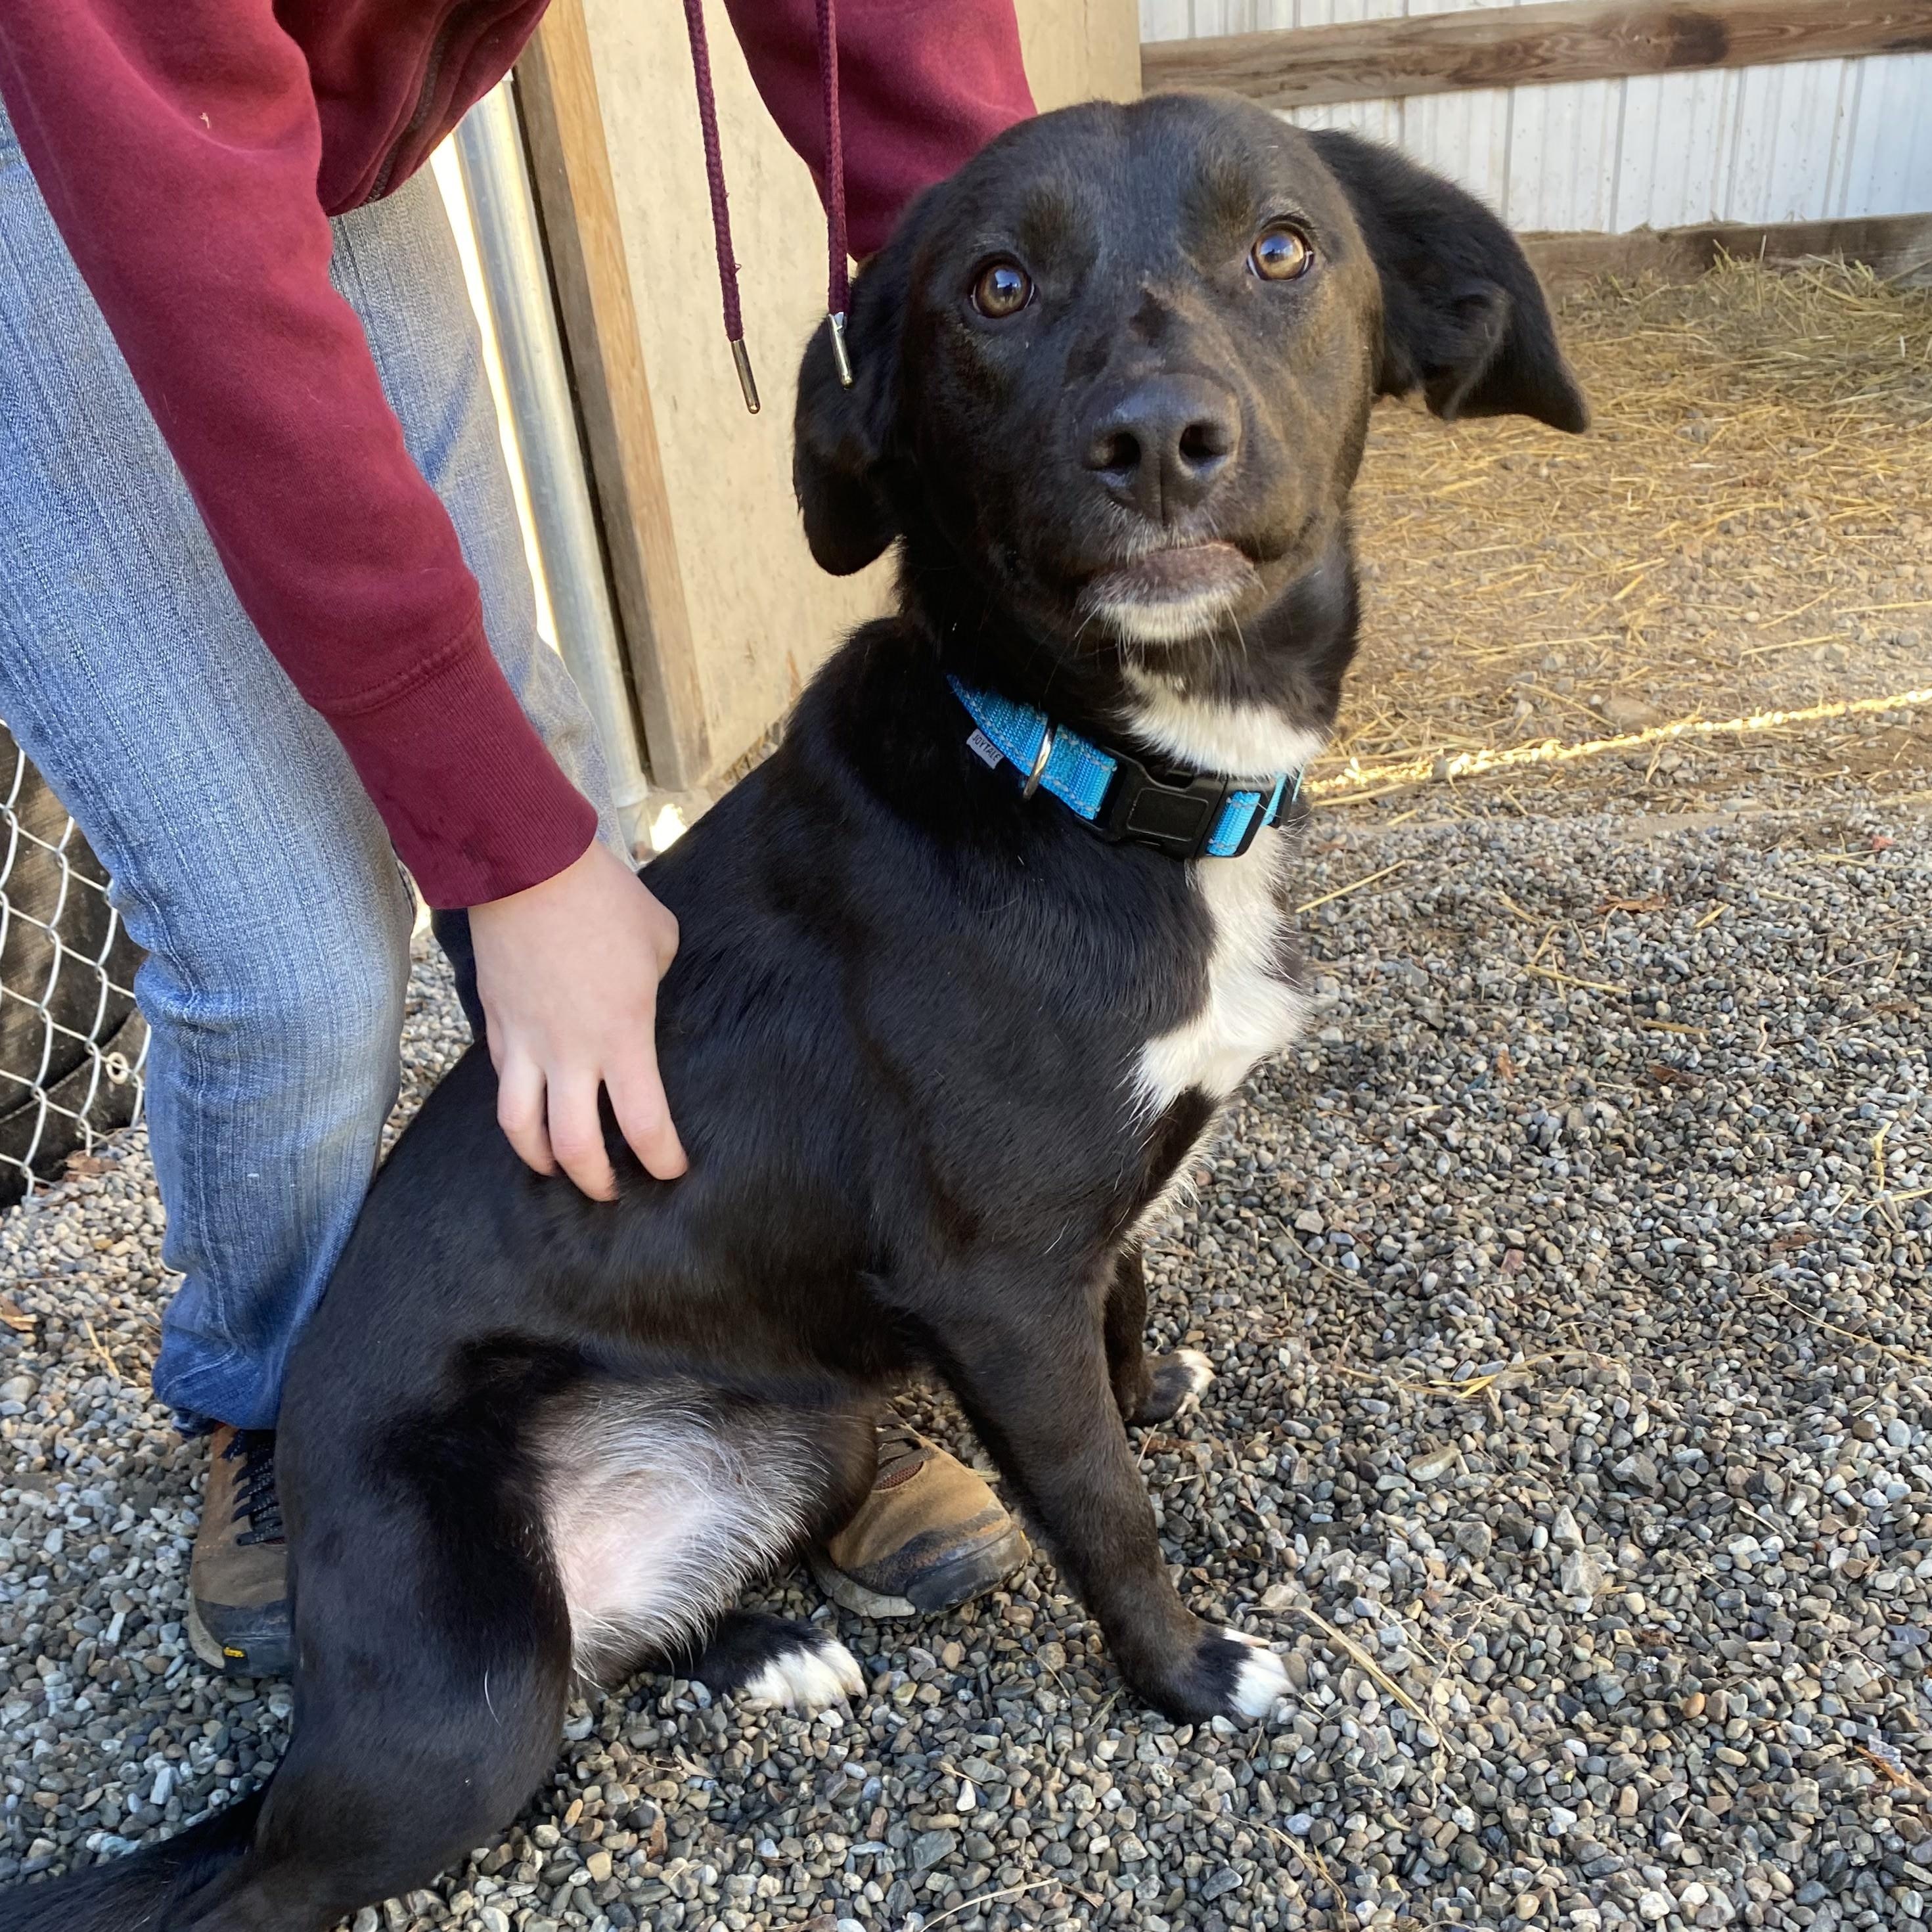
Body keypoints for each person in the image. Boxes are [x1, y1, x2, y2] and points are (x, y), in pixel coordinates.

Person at [0, 0, 1035, 1676]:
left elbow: (888, 40)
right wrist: (506, 864)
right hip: (52, 130)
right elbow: (188, 237)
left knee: (550, 783)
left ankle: (698, 1332)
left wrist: (1018, 326)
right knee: (295, 955)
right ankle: (284, 1412)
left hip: (324, 132)